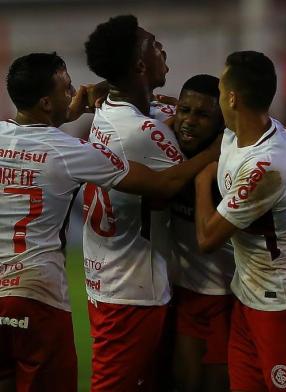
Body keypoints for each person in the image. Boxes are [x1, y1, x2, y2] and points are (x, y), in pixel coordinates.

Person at [0, 52, 217, 392]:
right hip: (35, 295)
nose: (75, 93)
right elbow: (165, 184)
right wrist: (215, 150)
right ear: (45, 102)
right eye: (66, 89)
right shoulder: (69, 151)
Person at [82, 15, 221, 392]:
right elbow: (180, 179)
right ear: (141, 65)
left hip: (111, 275)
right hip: (131, 291)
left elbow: (158, 114)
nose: (162, 49)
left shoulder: (112, 108)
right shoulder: (142, 132)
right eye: (154, 44)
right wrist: (223, 143)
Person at [194, 51, 286, 391]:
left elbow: (208, 239)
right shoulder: (241, 133)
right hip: (249, 295)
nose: (218, 96)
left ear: (233, 97)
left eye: (221, 89)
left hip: (283, 303)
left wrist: (200, 181)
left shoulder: (265, 165)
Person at [169, 74, 235, 392]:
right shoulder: (166, 148)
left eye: (202, 114)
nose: (189, 121)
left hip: (229, 298)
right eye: (184, 110)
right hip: (186, 294)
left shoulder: (231, 168)